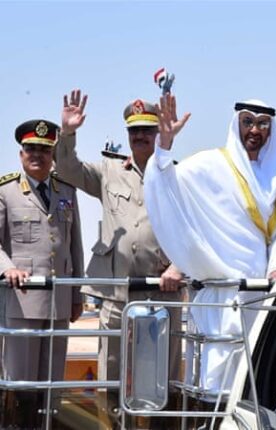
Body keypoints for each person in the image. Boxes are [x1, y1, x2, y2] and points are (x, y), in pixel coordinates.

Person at [144, 95, 276, 401]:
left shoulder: (274, 175)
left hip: (262, 295)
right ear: (236, 123)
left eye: (263, 124)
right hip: (220, 293)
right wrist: (164, 145)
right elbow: (165, 182)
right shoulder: (209, 165)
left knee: (258, 380)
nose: (255, 130)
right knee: (215, 383)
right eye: (248, 122)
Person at [54, 89, 184, 426]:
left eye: (147, 130)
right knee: (111, 376)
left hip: (162, 293)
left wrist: (179, 266)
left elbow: (194, 230)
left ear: (158, 133)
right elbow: (66, 168)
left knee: (162, 380)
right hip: (116, 295)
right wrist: (67, 132)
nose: (140, 136)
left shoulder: (176, 175)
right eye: (134, 130)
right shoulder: (109, 171)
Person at [0, 119, 83, 428]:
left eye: (44, 150)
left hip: (59, 303)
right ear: (21, 154)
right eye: (31, 149)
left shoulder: (67, 191)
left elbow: (74, 246)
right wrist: (8, 268)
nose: (37, 155)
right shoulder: (6, 191)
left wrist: (77, 295)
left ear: (52, 155)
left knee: (52, 382)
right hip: (22, 301)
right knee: (21, 383)